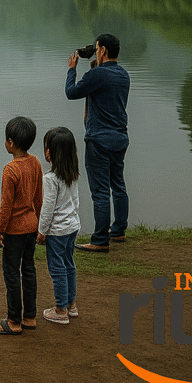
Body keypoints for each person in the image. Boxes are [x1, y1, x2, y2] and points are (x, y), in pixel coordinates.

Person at [65, 33, 130, 252]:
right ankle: (119, 230)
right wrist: (94, 69)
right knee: (118, 185)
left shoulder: (98, 75)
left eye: (97, 48)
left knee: (100, 191)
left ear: (102, 50)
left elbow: (71, 92)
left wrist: (72, 68)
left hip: (99, 140)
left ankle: (100, 240)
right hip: (120, 138)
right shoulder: (123, 75)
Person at [0, 116, 44, 335]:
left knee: (12, 273)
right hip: (32, 226)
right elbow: (39, 198)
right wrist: (41, 224)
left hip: (14, 230)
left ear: (10, 142)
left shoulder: (10, 170)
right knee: (28, 269)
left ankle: (13, 321)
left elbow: (6, 206)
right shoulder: (36, 163)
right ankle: (29, 316)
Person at [37, 127, 82, 324]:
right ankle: (71, 305)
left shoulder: (50, 179)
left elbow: (47, 209)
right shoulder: (71, 174)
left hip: (57, 231)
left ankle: (61, 309)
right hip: (72, 227)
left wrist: (41, 231)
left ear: (50, 153)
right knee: (68, 265)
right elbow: (76, 201)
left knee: (57, 269)